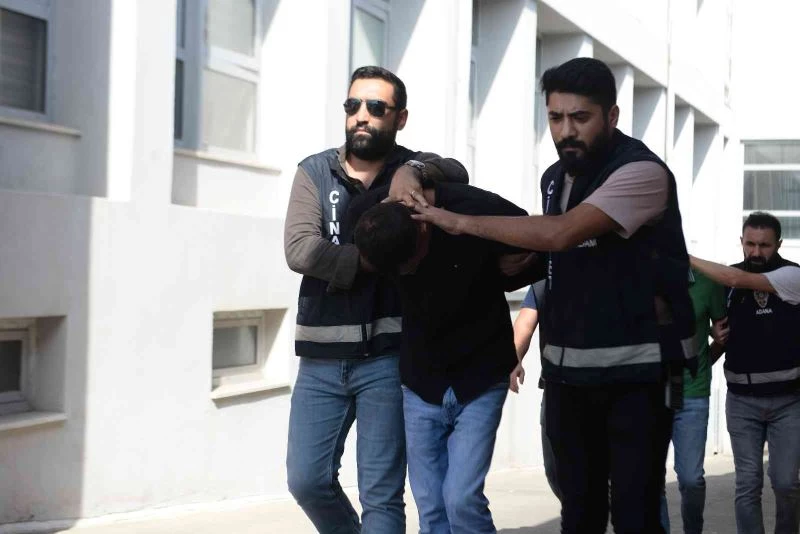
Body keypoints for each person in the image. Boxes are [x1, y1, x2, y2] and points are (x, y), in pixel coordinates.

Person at [411, 57, 696, 533]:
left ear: (612, 116)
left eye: (580, 117)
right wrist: (521, 266)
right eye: (555, 117)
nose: (566, 130)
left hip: (640, 375)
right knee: (578, 513)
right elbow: (561, 255)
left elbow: (561, 233)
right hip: (568, 377)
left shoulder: (642, 173)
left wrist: (455, 222)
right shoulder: (554, 178)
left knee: (635, 513)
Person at [283, 65, 468, 534]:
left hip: (388, 358)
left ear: (399, 118)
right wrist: (374, 258)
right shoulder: (314, 171)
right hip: (321, 358)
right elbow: (299, 249)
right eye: (353, 105)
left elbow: (457, 171)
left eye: (375, 107)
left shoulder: (411, 171)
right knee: (307, 481)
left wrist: (412, 170)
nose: (361, 115)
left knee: (381, 496)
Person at [349, 180, 535, 533]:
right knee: (432, 508)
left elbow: (522, 223)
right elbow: (355, 210)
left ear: (424, 224)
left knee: (461, 499)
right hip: (421, 384)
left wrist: (433, 192)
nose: (406, 271)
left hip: (480, 379)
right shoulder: (386, 236)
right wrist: (406, 177)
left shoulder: (464, 222)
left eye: (411, 260)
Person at [690, 212, 800, 534]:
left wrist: (684, 256)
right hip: (742, 402)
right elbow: (720, 340)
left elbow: (735, 278)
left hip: (789, 401)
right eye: (750, 244)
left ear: (779, 244)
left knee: (786, 483)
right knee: (748, 485)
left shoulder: (792, 276)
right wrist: (709, 354)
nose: (756, 252)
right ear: (741, 241)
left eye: (764, 245)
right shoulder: (726, 287)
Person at [661, 268, 727, 534]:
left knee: (691, 479)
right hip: (647, 393)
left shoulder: (707, 283)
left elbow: (723, 334)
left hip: (691, 393)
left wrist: (702, 365)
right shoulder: (636, 278)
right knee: (649, 477)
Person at [510, 281, 562, 502]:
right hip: (558, 389)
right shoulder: (546, 277)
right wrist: (514, 359)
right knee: (557, 473)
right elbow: (525, 323)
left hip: (614, 387)